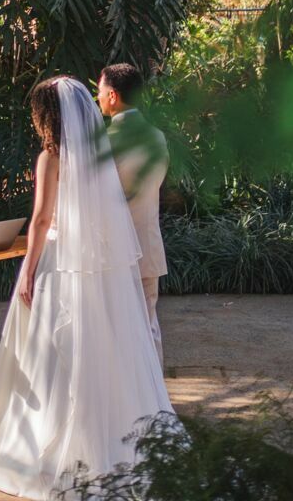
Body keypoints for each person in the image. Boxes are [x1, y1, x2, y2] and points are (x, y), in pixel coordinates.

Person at [0, 77, 174, 500]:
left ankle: (44, 451)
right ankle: (113, 439)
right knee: (100, 348)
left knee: (49, 352)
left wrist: (28, 269)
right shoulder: (100, 155)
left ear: (46, 116)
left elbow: (42, 219)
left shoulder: (51, 157)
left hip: (60, 261)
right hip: (97, 265)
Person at [97, 62, 169, 363]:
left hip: (115, 249)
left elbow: (99, 199)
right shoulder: (157, 136)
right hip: (148, 245)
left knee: (118, 332)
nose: (98, 97)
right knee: (148, 326)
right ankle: (155, 388)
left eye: (100, 91)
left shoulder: (107, 141)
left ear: (113, 96)